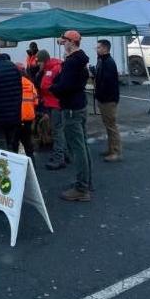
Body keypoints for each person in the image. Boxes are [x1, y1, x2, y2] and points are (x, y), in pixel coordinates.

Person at [49, 30, 93, 202]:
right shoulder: (81, 60)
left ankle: (82, 188)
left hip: (71, 108)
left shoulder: (72, 62)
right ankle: (86, 182)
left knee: (77, 147)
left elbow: (64, 86)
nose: (62, 44)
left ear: (72, 43)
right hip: (80, 104)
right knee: (83, 145)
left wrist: (52, 88)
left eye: (64, 41)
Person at [36, 50, 68, 170]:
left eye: (39, 62)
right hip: (53, 103)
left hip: (55, 104)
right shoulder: (52, 68)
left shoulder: (52, 69)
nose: (38, 64)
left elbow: (45, 86)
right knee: (59, 130)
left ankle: (59, 158)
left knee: (57, 131)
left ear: (44, 60)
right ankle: (64, 154)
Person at [93, 39, 122, 162]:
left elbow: (108, 83)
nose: (97, 49)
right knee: (108, 125)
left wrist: (103, 95)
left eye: (99, 47)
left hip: (108, 99)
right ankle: (111, 149)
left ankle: (115, 151)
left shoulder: (109, 62)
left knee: (111, 126)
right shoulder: (102, 60)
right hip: (103, 98)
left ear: (105, 48)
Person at [11, 67, 38, 159]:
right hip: (28, 119)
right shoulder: (30, 84)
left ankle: (15, 165)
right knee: (28, 145)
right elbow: (36, 102)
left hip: (16, 118)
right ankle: (32, 165)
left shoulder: (12, 84)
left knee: (14, 145)